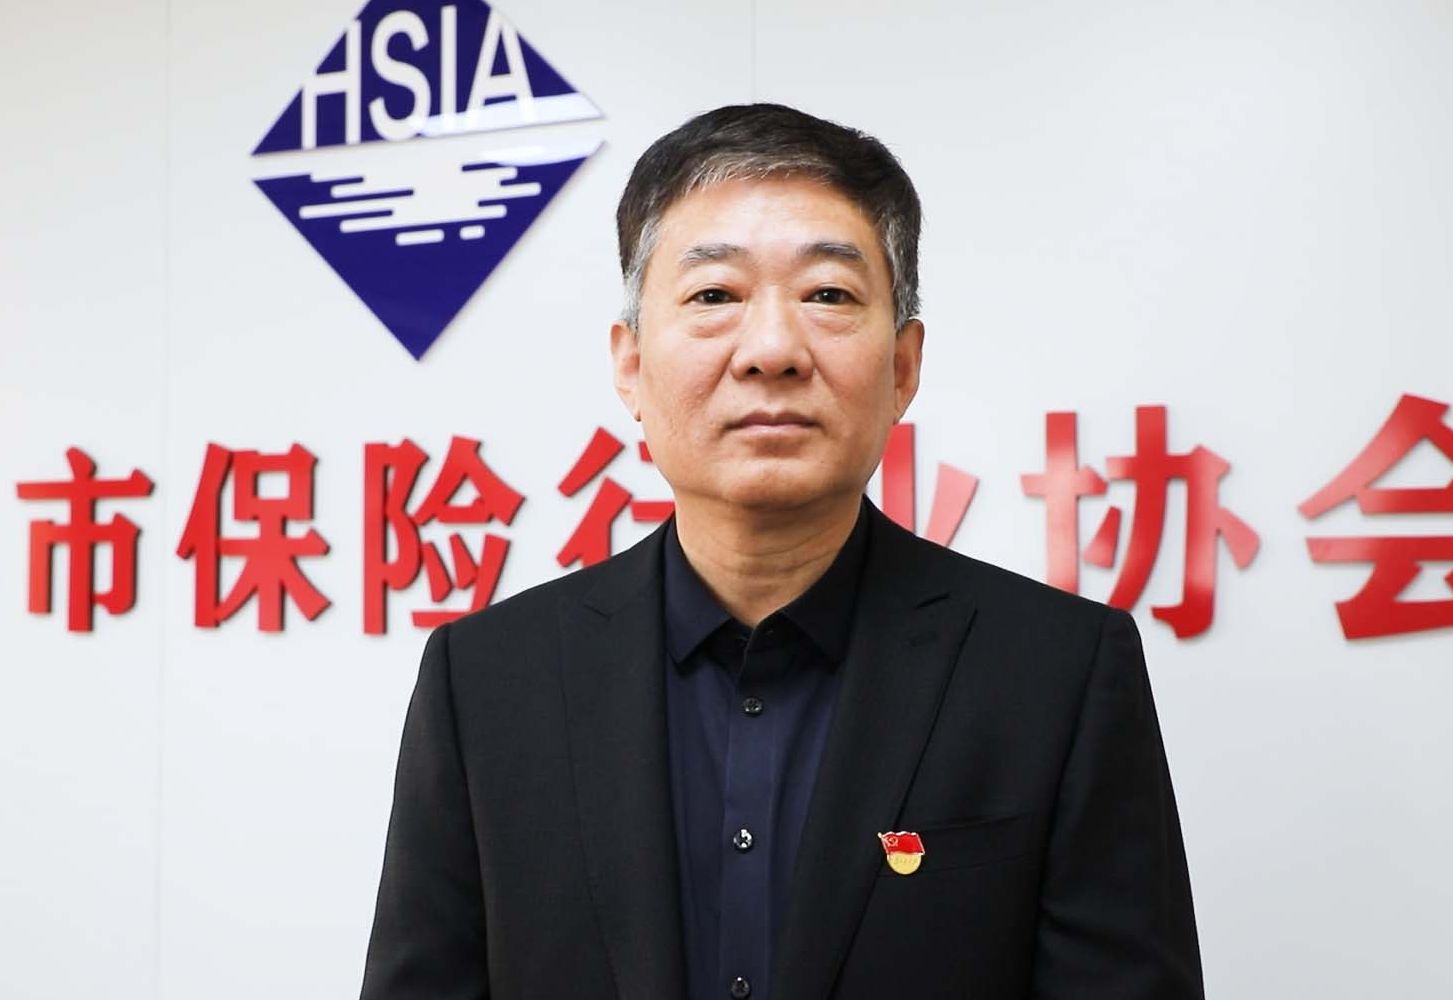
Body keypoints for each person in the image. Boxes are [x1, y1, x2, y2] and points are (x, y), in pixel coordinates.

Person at [358, 102, 1204, 1000]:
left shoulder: (1057, 673)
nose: (771, 350)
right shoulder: (486, 682)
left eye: (828, 295)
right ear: (630, 366)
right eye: (714, 296)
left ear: (904, 366)